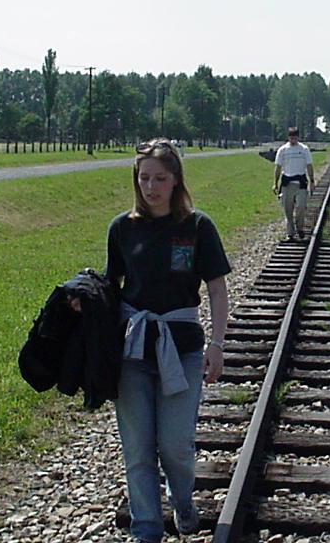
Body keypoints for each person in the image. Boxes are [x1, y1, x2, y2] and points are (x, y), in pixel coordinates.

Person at [103, 139, 230, 543]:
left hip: (184, 347)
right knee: (138, 448)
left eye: (160, 178)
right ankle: (146, 529)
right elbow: (111, 287)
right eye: (144, 178)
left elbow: (217, 289)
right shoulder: (122, 228)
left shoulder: (196, 226)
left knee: (175, 443)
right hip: (134, 349)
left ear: (176, 181)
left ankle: (183, 500)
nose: (151, 187)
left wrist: (217, 345)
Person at [272, 127, 316, 241]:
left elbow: (309, 165)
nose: (293, 140)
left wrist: (312, 181)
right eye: (291, 138)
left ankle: (300, 228)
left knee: (301, 207)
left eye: (295, 138)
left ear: (298, 137)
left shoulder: (304, 149)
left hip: (300, 182)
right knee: (288, 209)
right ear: (288, 137)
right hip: (287, 183)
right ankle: (290, 233)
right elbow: (278, 167)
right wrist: (275, 183)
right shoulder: (283, 150)